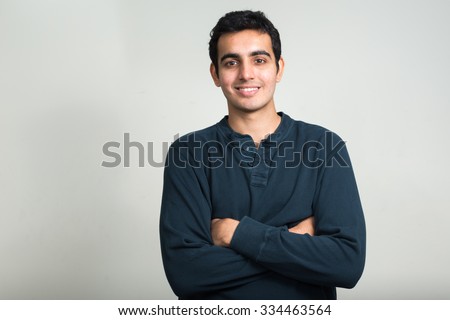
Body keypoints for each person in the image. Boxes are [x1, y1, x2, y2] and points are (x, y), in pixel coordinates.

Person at [159, 10, 366, 299]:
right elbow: (186, 274)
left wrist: (236, 234)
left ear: (279, 68)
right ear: (215, 74)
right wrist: (294, 242)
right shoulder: (188, 154)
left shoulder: (324, 147)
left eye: (259, 60)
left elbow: (346, 264)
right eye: (231, 62)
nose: (246, 74)